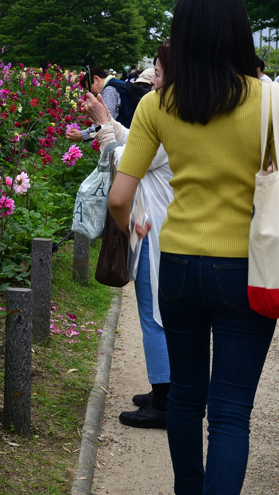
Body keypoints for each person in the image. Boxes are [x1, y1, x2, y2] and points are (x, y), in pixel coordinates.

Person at [108, 0, 279, 495]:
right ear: (239, 33)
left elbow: (118, 197)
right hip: (248, 270)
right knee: (229, 413)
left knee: (185, 399)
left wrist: (130, 230)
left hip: (177, 264)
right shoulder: (273, 98)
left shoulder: (159, 104)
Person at [83, 46, 172, 430]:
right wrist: (113, 126)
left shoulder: (171, 114)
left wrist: (104, 122)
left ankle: (166, 400)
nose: (152, 79)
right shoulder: (177, 110)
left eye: (158, 72)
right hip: (158, 220)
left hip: (153, 224)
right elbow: (136, 140)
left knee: (154, 315)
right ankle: (164, 389)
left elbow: (127, 159)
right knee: (156, 312)